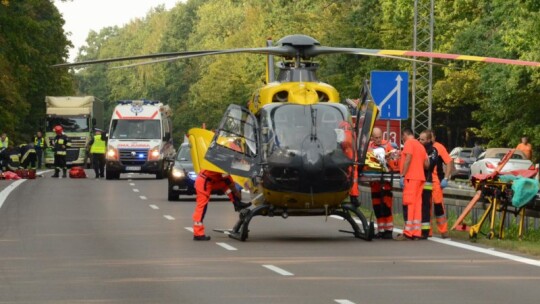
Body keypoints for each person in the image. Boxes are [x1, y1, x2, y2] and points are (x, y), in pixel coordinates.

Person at [192, 169, 251, 241]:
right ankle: (198, 233)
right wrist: (236, 192)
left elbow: (227, 180)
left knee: (226, 186)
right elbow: (228, 179)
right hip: (204, 182)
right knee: (202, 206)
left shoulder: (221, 159)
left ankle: (236, 203)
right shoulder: (222, 163)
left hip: (209, 180)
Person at [396, 128, 429, 241]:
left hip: (411, 177)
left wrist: (403, 175)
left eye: (402, 138)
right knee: (417, 204)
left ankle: (408, 232)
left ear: (404, 135)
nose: (402, 140)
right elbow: (427, 164)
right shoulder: (420, 146)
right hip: (420, 178)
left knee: (410, 204)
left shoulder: (409, 143)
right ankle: (416, 232)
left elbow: (408, 158)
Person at [368, 127, 395, 239]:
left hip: (385, 182)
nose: (378, 140)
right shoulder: (369, 147)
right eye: (376, 138)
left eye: (380, 137)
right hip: (375, 183)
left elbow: (393, 162)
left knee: (386, 205)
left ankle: (388, 230)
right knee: (377, 207)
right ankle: (381, 230)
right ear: (372, 138)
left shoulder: (387, 146)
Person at [430, 131, 453, 238]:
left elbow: (448, 162)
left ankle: (443, 230)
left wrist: (446, 178)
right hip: (424, 180)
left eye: (431, 137)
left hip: (437, 181)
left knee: (438, 205)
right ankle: (427, 231)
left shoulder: (439, 147)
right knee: (426, 206)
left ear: (434, 137)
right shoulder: (422, 146)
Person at [418, 131, 439, 239]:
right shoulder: (418, 148)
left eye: (422, 139)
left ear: (429, 140)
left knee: (425, 207)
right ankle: (416, 230)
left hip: (426, 182)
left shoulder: (433, 151)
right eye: (419, 139)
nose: (420, 141)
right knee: (416, 207)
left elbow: (429, 166)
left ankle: (425, 232)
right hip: (417, 181)